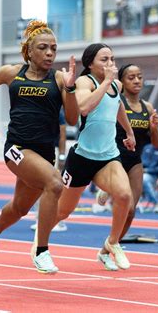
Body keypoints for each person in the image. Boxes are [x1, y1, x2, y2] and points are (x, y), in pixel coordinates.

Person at [0, 20, 79, 274]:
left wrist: (70, 87)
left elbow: (74, 118)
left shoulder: (58, 79)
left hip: (44, 153)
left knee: (20, 209)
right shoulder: (13, 74)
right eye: (43, 48)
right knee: (55, 183)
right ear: (29, 51)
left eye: (53, 49)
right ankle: (41, 250)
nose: (49, 54)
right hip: (17, 148)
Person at [48, 43, 136, 271]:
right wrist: (106, 81)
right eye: (104, 60)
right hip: (83, 157)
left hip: (108, 155)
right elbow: (84, 108)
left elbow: (118, 108)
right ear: (90, 64)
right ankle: (41, 242)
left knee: (125, 195)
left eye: (112, 59)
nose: (110, 64)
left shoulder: (116, 85)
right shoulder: (84, 82)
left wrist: (128, 132)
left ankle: (112, 243)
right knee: (63, 211)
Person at [95, 63, 158, 271]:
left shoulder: (148, 108)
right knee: (125, 201)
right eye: (131, 77)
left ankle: (107, 249)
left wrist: (154, 128)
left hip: (134, 160)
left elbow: (156, 143)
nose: (136, 81)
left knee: (131, 211)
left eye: (139, 77)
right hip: (113, 158)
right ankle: (107, 187)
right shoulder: (115, 101)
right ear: (121, 82)